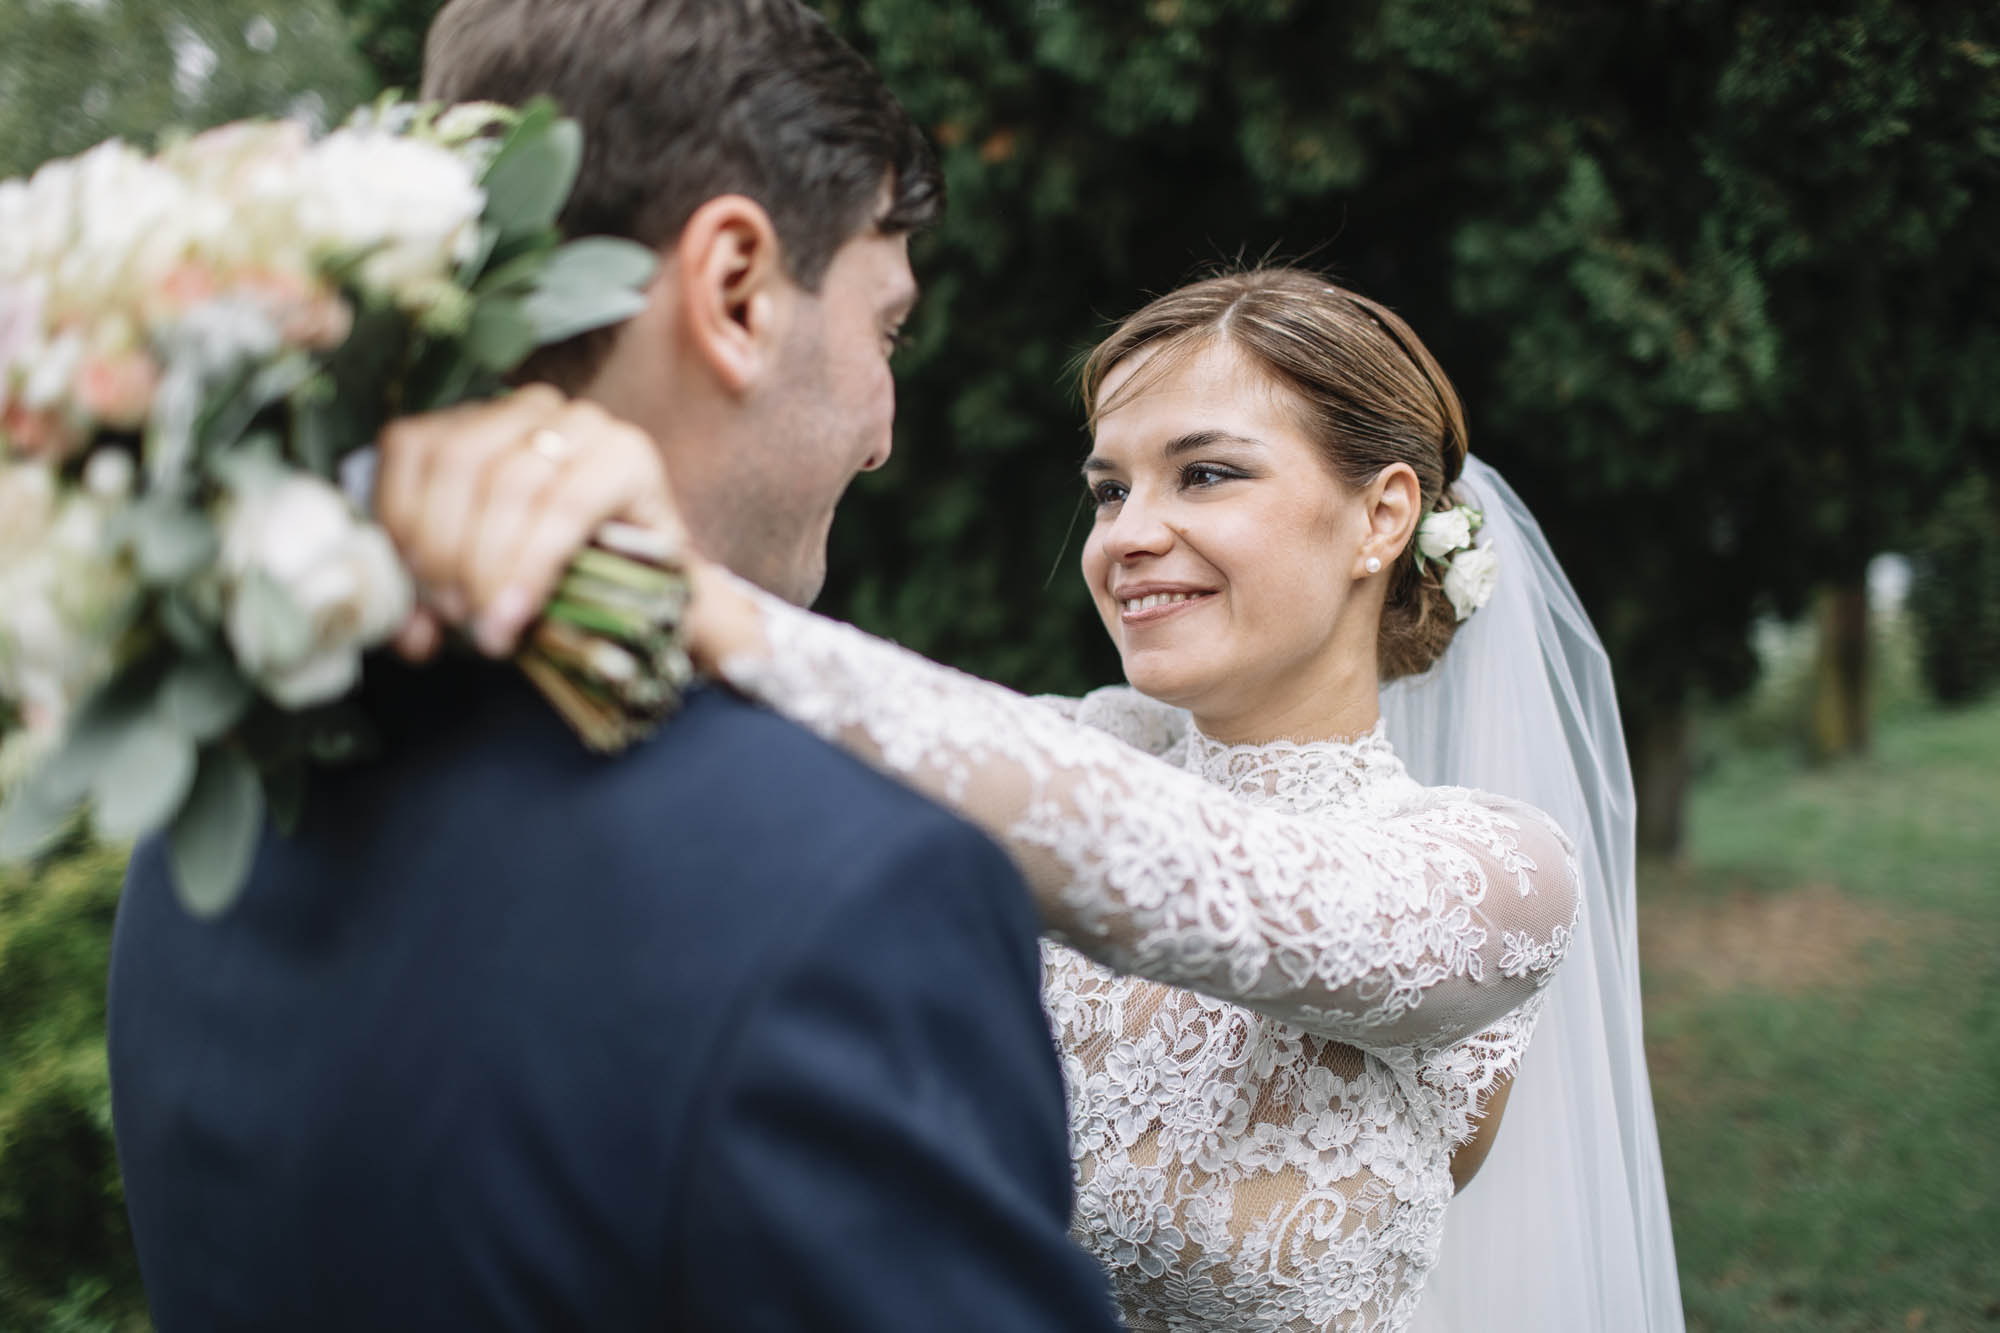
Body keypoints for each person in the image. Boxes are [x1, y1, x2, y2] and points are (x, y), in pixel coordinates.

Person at [384, 267, 1684, 1330]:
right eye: (1111, 488)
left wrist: (681, 594)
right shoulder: (1082, 745)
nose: (1125, 533)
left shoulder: (1492, 875)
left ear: (1380, 516)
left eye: (1207, 474)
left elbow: (1207, 882)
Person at [104, 2, 1124, 1329]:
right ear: (737, 291)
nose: (883, 437)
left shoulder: (217, 807)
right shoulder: (847, 894)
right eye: (890, 330)